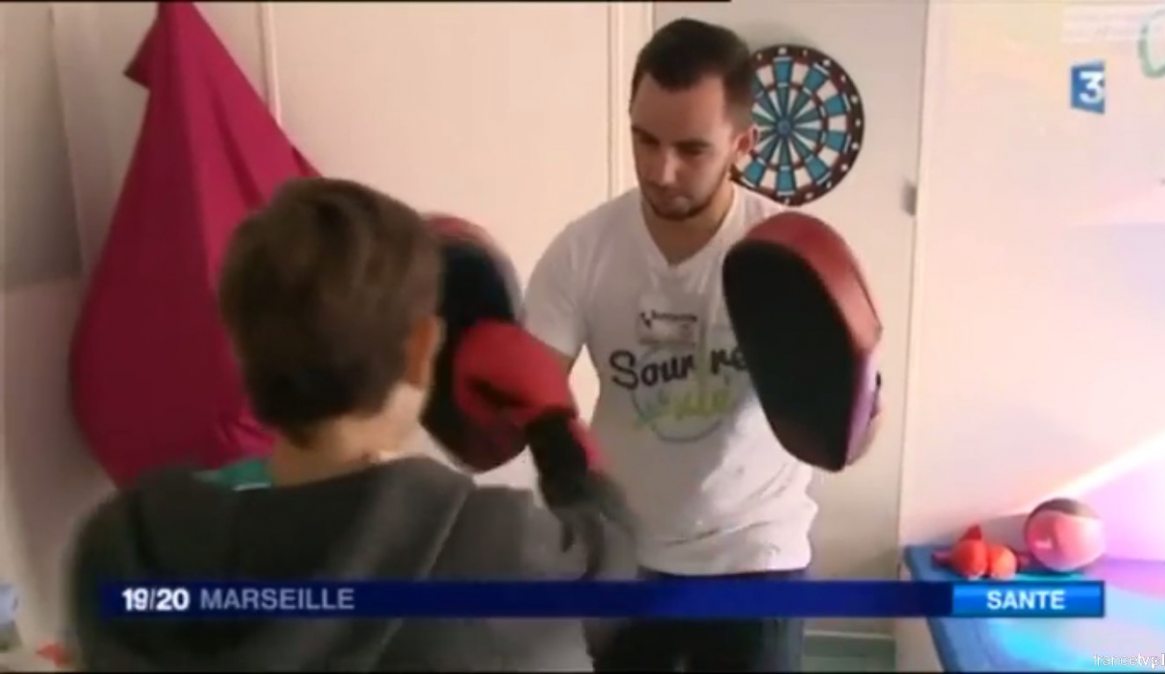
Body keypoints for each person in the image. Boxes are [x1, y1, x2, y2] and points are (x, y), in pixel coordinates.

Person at [66, 177, 636, 671]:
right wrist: (554, 426)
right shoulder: (494, 552)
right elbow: (611, 571)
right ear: (421, 349)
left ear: (243, 349)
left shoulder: (127, 553)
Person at [523, 18, 815, 671]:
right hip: (625, 555)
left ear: (743, 144)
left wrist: (856, 403)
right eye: (644, 139)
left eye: (691, 149)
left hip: (754, 554)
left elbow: (849, 427)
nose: (661, 169)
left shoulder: (787, 256)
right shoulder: (584, 250)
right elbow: (530, 392)